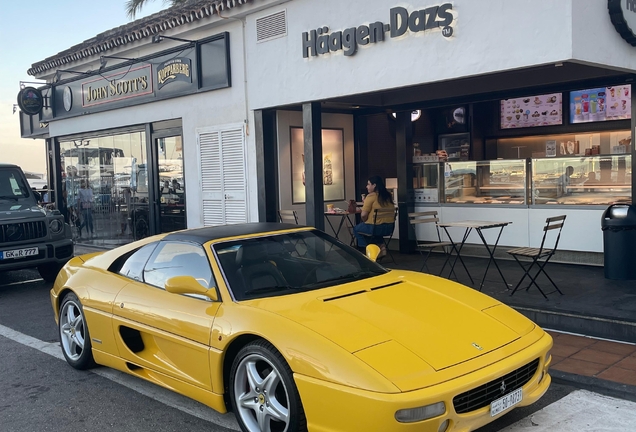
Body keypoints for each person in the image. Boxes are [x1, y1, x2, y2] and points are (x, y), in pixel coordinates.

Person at [353, 176, 395, 258]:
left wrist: (364, 220)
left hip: (375, 227)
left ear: (374, 185)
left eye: (368, 184)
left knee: (356, 229)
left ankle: (369, 250)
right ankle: (381, 246)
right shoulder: (388, 196)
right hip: (389, 228)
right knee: (373, 232)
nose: (367, 186)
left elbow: (363, 215)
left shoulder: (371, 196)